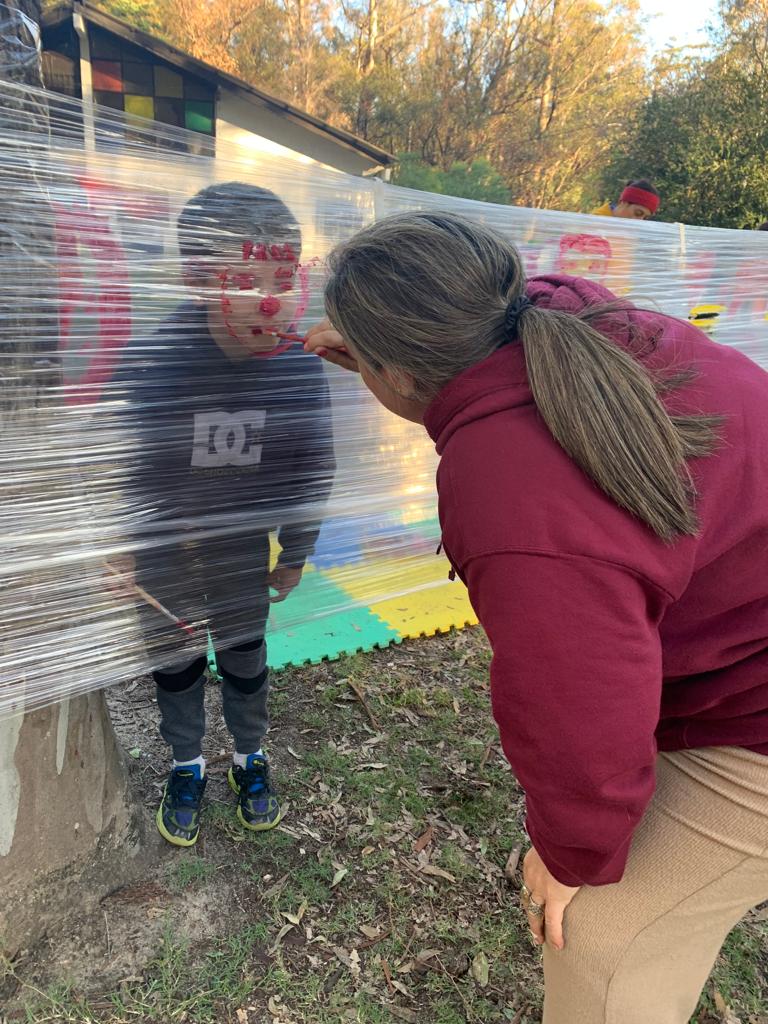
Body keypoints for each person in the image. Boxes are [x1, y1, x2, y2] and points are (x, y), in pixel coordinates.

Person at [303, 211, 768, 1023]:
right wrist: (383, 361)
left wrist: (573, 856)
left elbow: (581, 698)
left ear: (402, 374)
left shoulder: (510, 488)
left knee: (597, 937)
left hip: (755, 705)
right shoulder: (568, 315)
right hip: (741, 643)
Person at [111, 183, 335, 847]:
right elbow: (125, 466)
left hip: (242, 550)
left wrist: (295, 551)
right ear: (195, 280)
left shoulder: (299, 368)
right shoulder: (155, 362)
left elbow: (312, 466)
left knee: (243, 655)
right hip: (162, 555)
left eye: (282, 277)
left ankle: (248, 757)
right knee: (174, 663)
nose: (269, 300)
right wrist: (120, 548)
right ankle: (186, 764)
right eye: (245, 279)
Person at [593, 178, 660, 219]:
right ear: (624, 202)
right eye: (638, 213)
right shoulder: (595, 224)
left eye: (645, 218)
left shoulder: (628, 232)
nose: (640, 221)